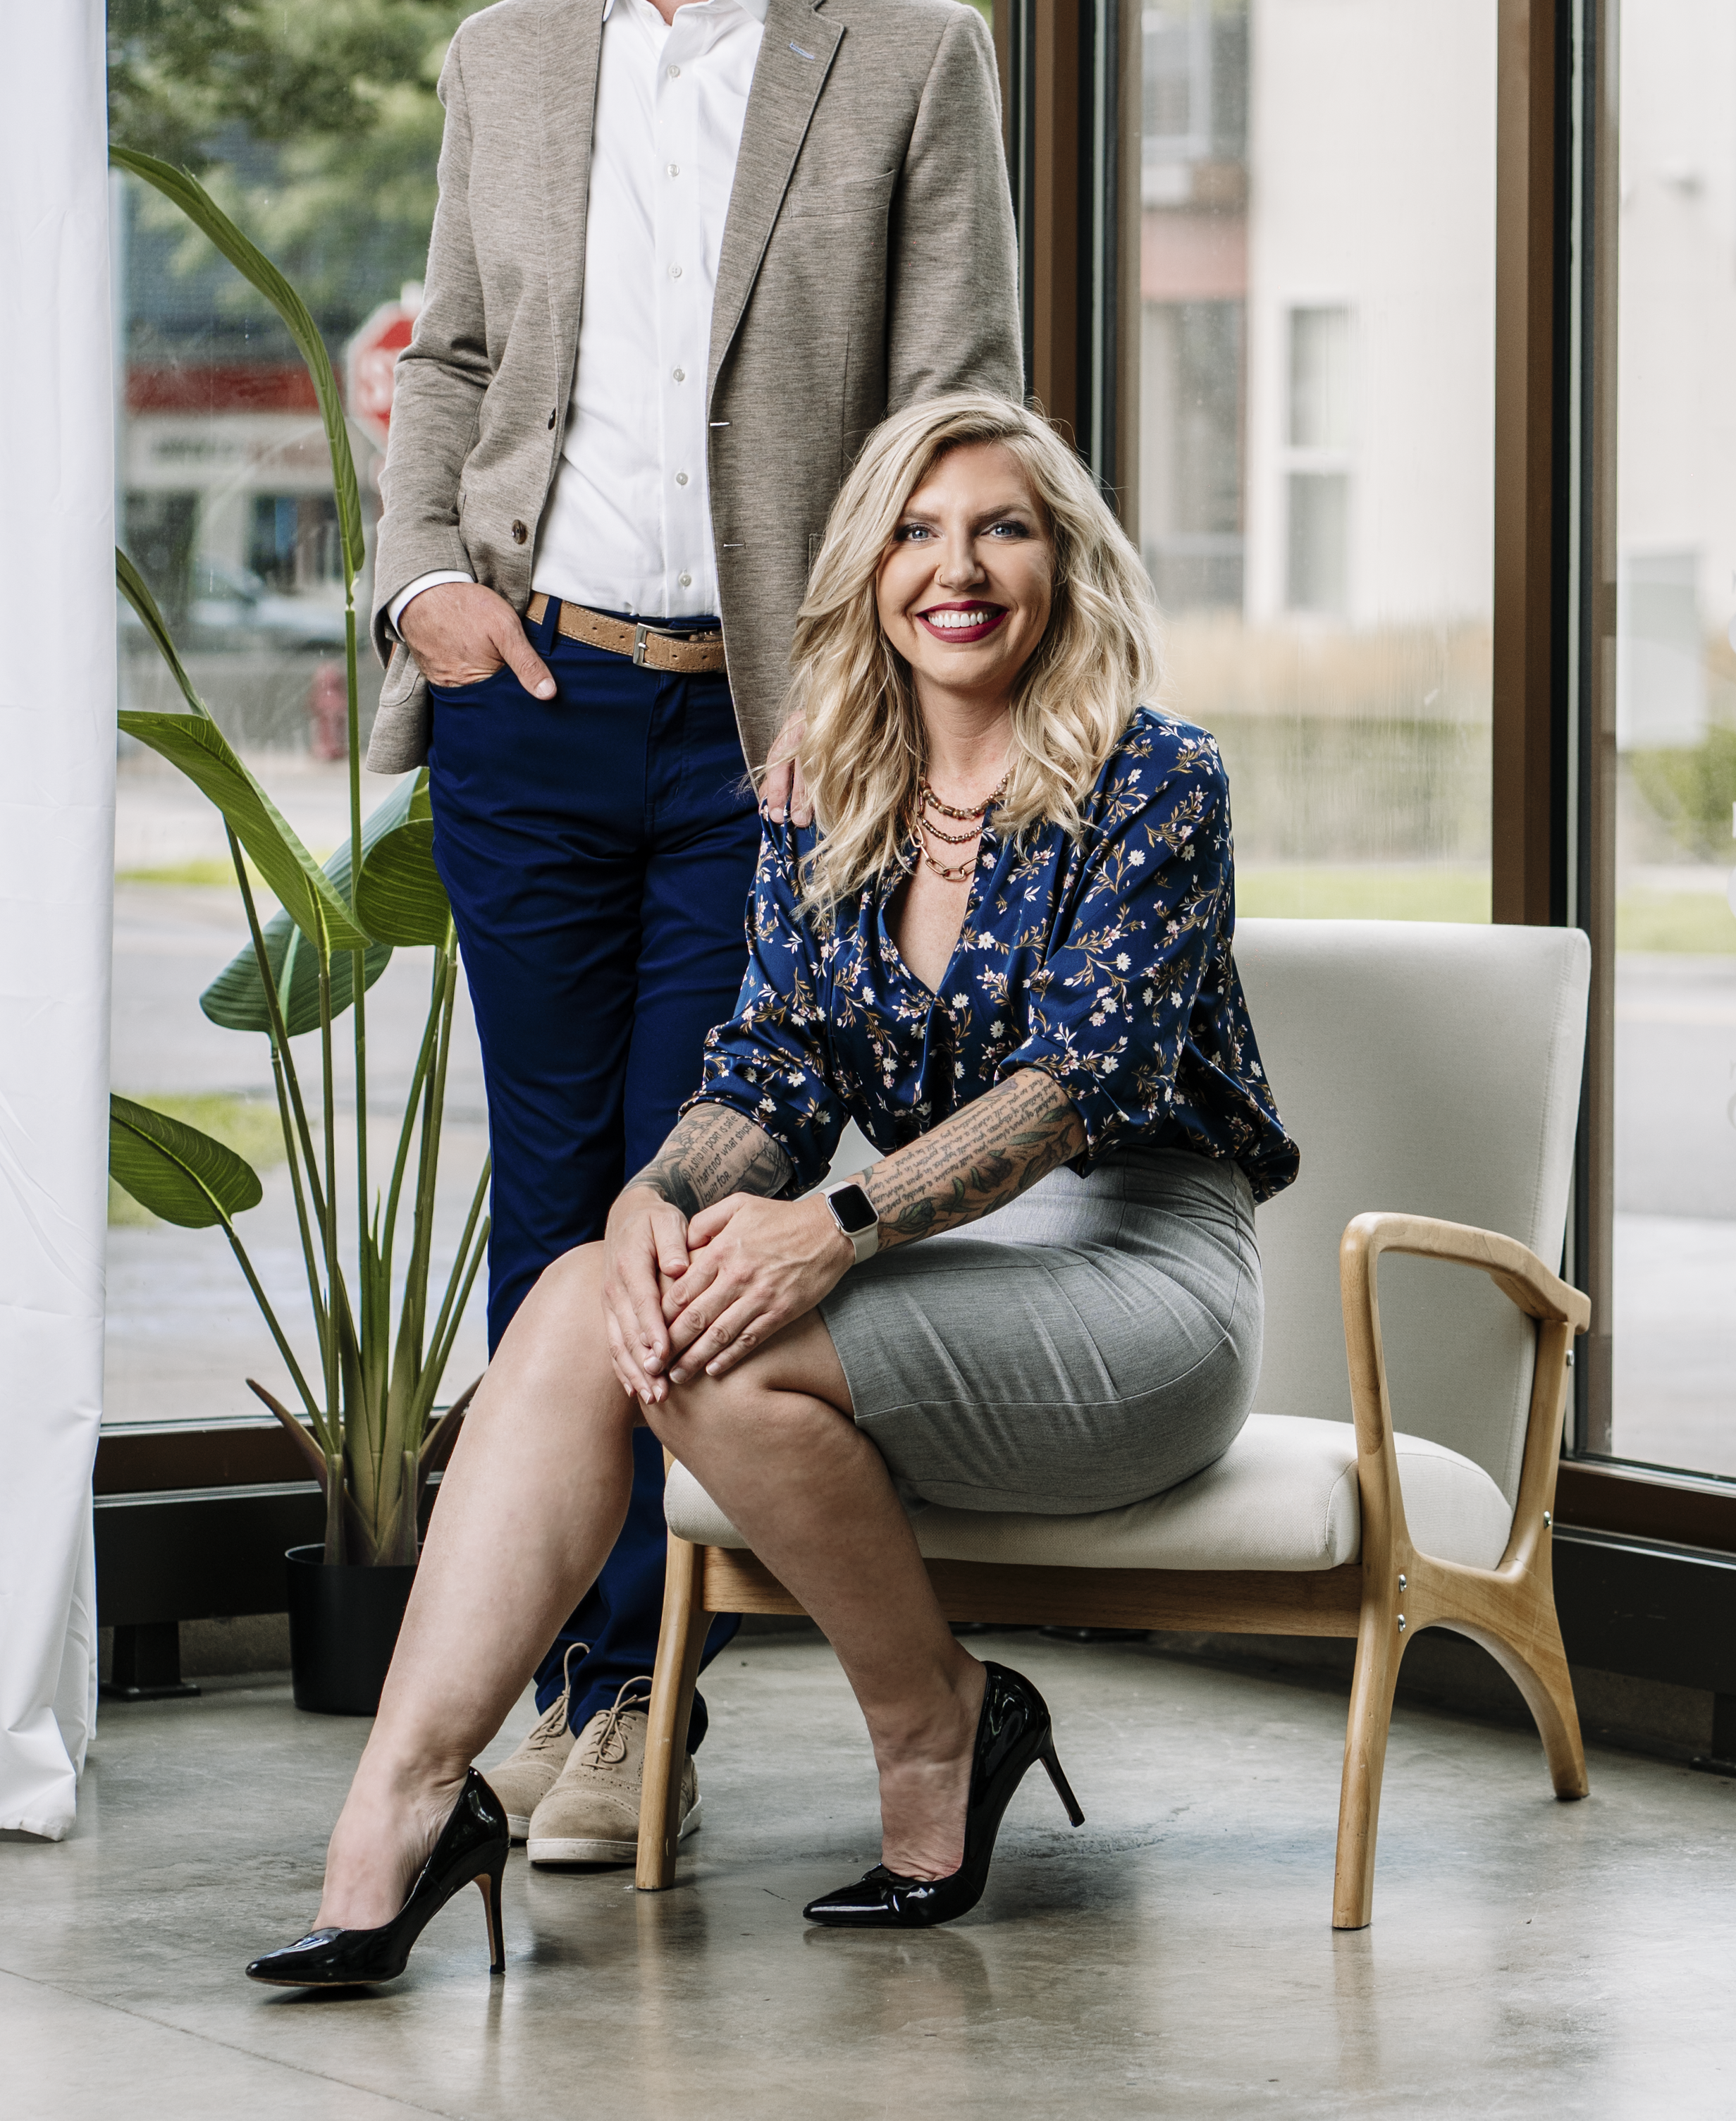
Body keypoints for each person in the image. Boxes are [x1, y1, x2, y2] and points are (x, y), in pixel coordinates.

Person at [247, 395, 1298, 1986]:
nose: (959, 567)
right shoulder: (829, 807)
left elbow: (1070, 1090)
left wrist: (838, 1227)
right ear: (865, 571)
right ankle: (398, 1811)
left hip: (1140, 1279)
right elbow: (770, 1074)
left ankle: (936, 1720)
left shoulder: (1154, 780)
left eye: (1002, 527)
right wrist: (648, 1202)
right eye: (915, 530)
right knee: (600, 1300)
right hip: (946, 1272)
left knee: (715, 1340)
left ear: (1065, 565)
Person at [364, 0, 1021, 1862]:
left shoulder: (910, 53)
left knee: (681, 1197)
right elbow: (449, 360)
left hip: (774, 745)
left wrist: (868, 700)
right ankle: (570, 1683)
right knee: (543, 1197)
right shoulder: (505, 56)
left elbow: (962, 403)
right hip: (530, 703)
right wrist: (423, 586)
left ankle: (639, 1702)